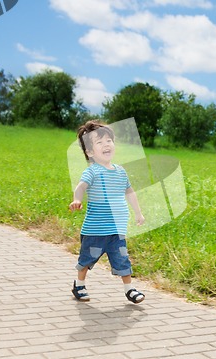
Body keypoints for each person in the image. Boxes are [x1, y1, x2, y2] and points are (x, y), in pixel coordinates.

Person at [69, 120, 146, 304]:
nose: (106, 145)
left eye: (108, 141)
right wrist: (77, 199)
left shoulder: (120, 171)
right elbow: (80, 187)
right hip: (95, 231)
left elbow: (130, 192)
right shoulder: (92, 172)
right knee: (87, 260)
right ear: (89, 152)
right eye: (99, 142)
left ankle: (129, 289)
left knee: (122, 260)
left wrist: (138, 212)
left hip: (116, 231)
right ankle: (79, 284)